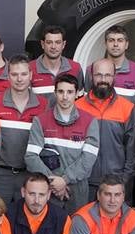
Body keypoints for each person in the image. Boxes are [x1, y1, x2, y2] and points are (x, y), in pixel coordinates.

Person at [26, 72, 100, 211]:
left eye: (70, 92)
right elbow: (30, 157)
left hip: (77, 189)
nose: (65, 97)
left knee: (76, 229)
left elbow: (88, 159)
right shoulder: (40, 121)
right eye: (60, 91)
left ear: (77, 93)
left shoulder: (90, 121)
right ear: (55, 93)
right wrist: (53, 182)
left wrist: (64, 180)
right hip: (47, 188)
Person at [0, 54, 46, 205]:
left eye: (24, 74)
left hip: (30, 175)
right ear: (8, 76)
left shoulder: (43, 105)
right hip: (0, 175)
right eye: (14, 74)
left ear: (31, 75)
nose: (19, 79)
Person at [78, 58, 135, 199]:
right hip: (85, 181)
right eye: (99, 75)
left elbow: (132, 148)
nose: (103, 79)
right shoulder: (78, 107)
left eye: (108, 75)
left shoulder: (127, 107)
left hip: (116, 183)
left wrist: (124, 180)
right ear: (91, 76)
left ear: (114, 77)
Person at [31, 24, 82, 98]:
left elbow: (80, 100)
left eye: (57, 42)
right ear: (42, 44)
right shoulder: (29, 69)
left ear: (63, 44)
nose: (53, 47)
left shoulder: (76, 68)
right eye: (49, 42)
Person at [103, 23, 135, 101]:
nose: (115, 44)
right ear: (105, 44)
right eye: (111, 40)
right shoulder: (92, 70)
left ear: (126, 44)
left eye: (120, 40)